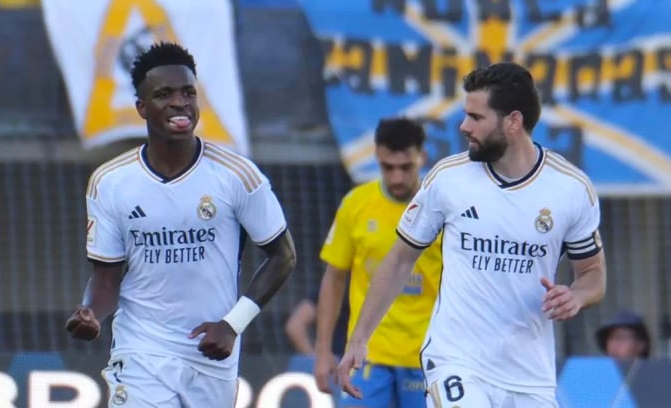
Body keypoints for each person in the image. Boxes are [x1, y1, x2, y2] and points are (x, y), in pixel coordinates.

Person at [337, 62, 607, 408]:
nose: (464, 127)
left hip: (530, 374)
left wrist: (576, 296)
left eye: (476, 118)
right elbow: (400, 260)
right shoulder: (449, 178)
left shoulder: (570, 189)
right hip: (456, 361)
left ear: (513, 121)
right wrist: (360, 337)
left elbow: (592, 276)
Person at [64, 42, 296, 407]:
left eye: (188, 92)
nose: (179, 102)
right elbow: (106, 277)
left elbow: (283, 255)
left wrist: (233, 323)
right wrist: (91, 311)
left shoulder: (237, 175)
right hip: (141, 349)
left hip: (210, 353)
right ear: (142, 107)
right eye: (164, 94)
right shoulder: (110, 182)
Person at [315, 118, 443, 408]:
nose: (397, 178)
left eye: (406, 167)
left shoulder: (440, 208)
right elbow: (334, 278)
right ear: (377, 158)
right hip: (366, 357)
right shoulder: (356, 204)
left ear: (422, 157)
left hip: (427, 358)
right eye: (388, 167)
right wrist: (323, 351)